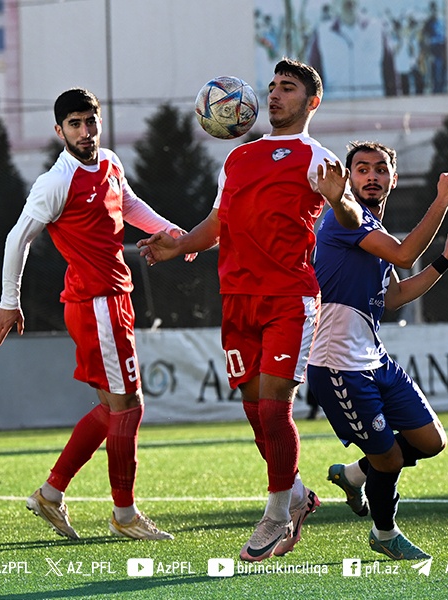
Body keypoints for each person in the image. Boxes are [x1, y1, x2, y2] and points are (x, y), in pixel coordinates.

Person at [138, 58, 363, 562]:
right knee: (254, 409)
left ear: (312, 101)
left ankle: (277, 514)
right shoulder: (238, 158)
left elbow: (348, 218)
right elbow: (218, 222)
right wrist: (178, 244)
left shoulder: (317, 157)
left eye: (288, 88)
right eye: (274, 87)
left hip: (290, 297)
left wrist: (339, 199)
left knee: (274, 405)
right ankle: (299, 494)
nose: (276, 95)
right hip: (238, 298)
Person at [0, 87, 193, 542]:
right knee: (130, 407)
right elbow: (16, 239)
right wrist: (10, 300)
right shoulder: (54, 183)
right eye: (76, 124)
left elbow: (129, 204)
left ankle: (50, 494)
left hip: (113, 300)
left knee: (109, 409)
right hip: (96, 304)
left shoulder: (110, 163)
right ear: (59, 130)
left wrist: (169, 231)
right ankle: (124, 515)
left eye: (91, 122)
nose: (86, 132)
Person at [307, 141, 448, 560]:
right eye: (362, 169)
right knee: (391, 459)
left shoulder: (370, 225)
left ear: (392, 180)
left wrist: (445, 260)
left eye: (380, 169)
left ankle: (354, 474)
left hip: (375, 360)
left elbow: (393, 297)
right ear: (349, 177)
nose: (372, 176)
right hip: (339, 366)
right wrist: (441, 201)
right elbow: (405, 252)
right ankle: (384, 533)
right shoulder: (348, 219)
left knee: (432, 441)